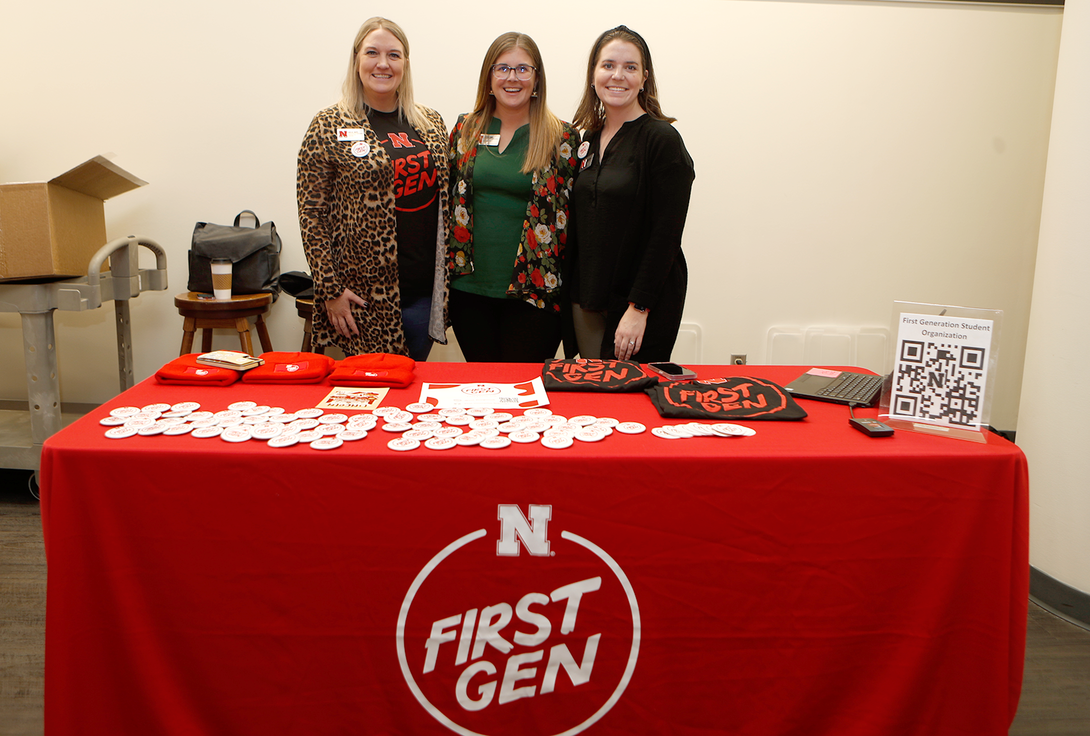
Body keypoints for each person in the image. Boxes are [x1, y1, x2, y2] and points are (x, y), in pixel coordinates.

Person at [297, 17, 449, 360]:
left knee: (410, 396)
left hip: (424, 293)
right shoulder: (329, 125)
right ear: (356, 60)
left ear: (405, 64)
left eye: (394, 55)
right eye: (372, 53)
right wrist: (330, 290)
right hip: (362, 298)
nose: (383, 64)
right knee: (373, 398)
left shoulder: (430, 122)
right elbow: (312, 215)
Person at [447, 32, 579, 363]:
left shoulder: (561, 136)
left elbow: (578, 215)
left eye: (523, 69)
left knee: (526, 396)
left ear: (537, 79)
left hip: (536, 293)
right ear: (489, 78)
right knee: (482, 392)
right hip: (469, 289)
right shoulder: (465, 130)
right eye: (502, 68)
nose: (512, 77)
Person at [567, 25, 695, 363]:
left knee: (631, 406)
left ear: (644, 77)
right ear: (593, 74)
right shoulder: (586, 139)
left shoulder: (662, 140)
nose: (617, 76)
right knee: (592, 403)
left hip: (639, 306)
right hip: (586, 300)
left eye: (630, 67)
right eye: (608, 65)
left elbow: (666, 234)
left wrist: (639, 307)